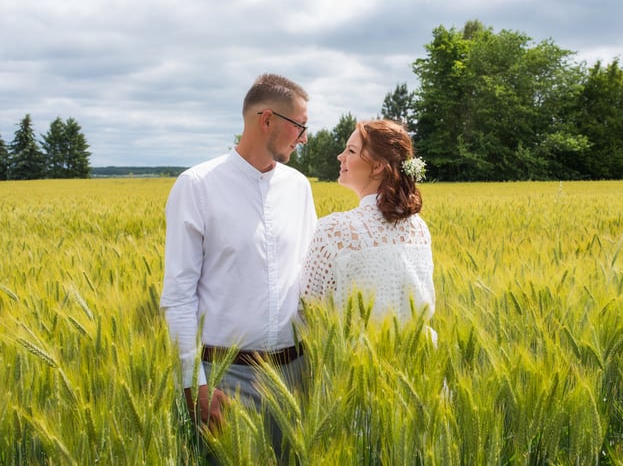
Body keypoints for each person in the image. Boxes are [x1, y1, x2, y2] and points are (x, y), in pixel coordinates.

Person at [160, 73, 317, 432]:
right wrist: (193, 384)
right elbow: (179, 297)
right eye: (300, 126)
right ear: (267, 121)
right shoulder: (197, 186)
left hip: (296, 377)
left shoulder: (299, 188)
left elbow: (310, 280)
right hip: (225, 380)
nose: (305, 138)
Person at [300, 119, 435, 332]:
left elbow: (308, 308)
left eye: (351, 151)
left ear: (378, 166)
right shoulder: (419, 228)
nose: (340, 156)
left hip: (350, 359)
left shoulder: (333, 230)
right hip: (417, 360)